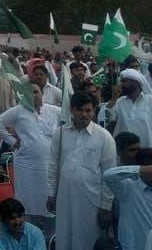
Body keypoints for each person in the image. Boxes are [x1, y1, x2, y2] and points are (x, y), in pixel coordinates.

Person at [46, 92, 116, 250]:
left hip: (91, 201)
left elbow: (109, 174)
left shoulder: (104, 137)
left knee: (88, 238)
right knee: (65, 236)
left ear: (94, 111)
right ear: (72, 110)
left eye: (88, 110)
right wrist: (51, 193)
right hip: (64, 198)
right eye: (80, 110)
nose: (84, 114)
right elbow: (53, 164)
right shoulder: (61, 133)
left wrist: (106, 206)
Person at [0, 83, 59, 235]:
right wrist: (12, 141)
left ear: (42, 93)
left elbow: (68, 120)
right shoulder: (18, 111)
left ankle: (50, 239)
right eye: (29, 93)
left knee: (50, 202)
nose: (33, 95)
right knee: (27, 202)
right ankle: (27, 236)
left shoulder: (54, 111)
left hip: (49, 165)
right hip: (26, 166)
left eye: (36, 92)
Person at [112, 68, 152, 159]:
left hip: (148, 157)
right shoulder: (119, 102)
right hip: (124, 158)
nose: (121, 84)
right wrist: (113, 98)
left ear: (136, 82)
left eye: (124, 81)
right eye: (121, 82)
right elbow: (109, 121)